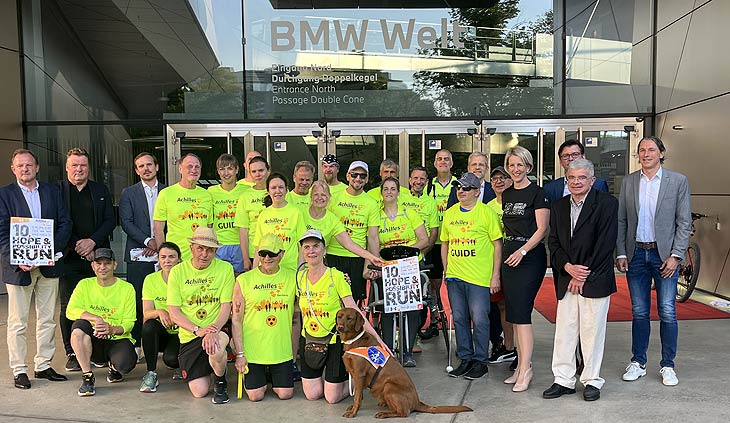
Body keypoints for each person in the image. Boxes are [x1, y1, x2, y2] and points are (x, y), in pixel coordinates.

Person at [616, 136, 691, 387]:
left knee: (668, 311)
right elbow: (622, 221)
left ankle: (668, 365)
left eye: (651, 149)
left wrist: (677, 255)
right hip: (636, 254)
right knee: (639, 312)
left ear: (661, 153)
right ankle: (638, 362)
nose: (646, 153)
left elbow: (684, 222)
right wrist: (621, 253)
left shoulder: (677, 181)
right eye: (642, 150)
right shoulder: (628, 182)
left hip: (666, 257)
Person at [543, 159, 618, 402]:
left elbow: (605, 244)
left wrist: (582, 273)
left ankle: (591, 380)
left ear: (592, 180)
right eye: (572, 178)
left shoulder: (607, 204)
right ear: (566, 180)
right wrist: (567, 267)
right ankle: (563, 380)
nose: (576, 182)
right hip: (566, 277)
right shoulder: (558, 206)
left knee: (592, 331)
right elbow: (553, 242)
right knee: (565, 331)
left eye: (582, 178)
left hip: (594, 278)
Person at [0, 149, 72, 389]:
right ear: (13, 169)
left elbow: (65, 223)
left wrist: (51, 250)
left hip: (48, 265)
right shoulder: (4, 195)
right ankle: (19, 369)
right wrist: (17, 257)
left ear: (37, 167)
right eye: (19, 166)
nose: (24, 169)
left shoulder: (52, 191)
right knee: (18, 321)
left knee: (47, 318)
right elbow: (1, 234)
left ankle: (43, 365)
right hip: (19, 268)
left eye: (29, 165)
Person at [297, 229, 386, 404]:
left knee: (332, 398)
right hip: (309, 339)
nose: (311, 251)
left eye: (316, 246)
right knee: (313, 394)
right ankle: (327, 381)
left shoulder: (336, 276)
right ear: (302, 252)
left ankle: (352, 384)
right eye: (306, 247)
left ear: (324, 250)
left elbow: (353, 308)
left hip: (334, 341)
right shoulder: (299, 277)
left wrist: (378, 339)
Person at [56, 147, 116, 372]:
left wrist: (92, 242)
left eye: (83, 165)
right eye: (74, 165)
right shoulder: (57, 191)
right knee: (68, 306)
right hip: (69, 257)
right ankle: (72, 353)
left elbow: (110, 220)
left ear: (88, 168)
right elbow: (56, 222)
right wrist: (77, 245)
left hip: (97, 256)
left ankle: (99, 349)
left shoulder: (100, 189)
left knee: (103, 303)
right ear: (67, 167)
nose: (79, 169)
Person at [441, 172, 503, 380]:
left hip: (478, 277)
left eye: (466, 188)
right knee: (459, 318)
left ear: (477, 192)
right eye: (459, 187)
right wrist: (446, 269)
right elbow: (445, 243)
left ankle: (480, 360)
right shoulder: (450, 214)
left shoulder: (487, 213)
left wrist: (495, 276)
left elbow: (497, 245)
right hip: (455, 275)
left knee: (479, 319)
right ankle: (466, 357)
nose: (461, 191)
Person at [365, 177, 429, 367]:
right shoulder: (376, 214)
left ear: (399, 192)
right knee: (387, 308)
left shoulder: (409, 213)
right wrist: (377, 261)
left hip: (409, 266)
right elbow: (373, 239)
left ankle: (407, 352)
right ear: (381, 192)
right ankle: (389, 350)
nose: (390, 192)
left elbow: (424, 239)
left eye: (393, 188)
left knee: (409, 309)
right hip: (388, 267)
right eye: (386, 189)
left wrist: (407, 252)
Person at [167, 227, 235, 404]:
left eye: (210, 249)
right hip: (192, 333)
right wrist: (198, 330)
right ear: (191, 248)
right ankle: (213, 367)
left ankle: (220, 381)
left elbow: (226, 306)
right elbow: (174, 313)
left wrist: (213, 330)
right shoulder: (177, 272)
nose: (204, 254)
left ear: (215, 251)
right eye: (200, 248)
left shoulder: (225, 269)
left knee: (217, 347)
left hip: (217, 328)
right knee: (199, 391)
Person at [501, 146, 549, 392]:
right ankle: (520, 366)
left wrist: (522, 251)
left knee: (522, 313)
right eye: (512, 165)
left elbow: (541, 230)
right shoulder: (507, 194)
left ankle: (527, 368)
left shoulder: (537, 193)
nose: (515, 169)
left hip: (529, 257)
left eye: (520, 165)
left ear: (529, 167)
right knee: (514, 316)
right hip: (510, 256)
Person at [232, 234, 296, 401]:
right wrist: (240, 354)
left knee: (285, 394)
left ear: (282, 254)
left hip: (280, 349)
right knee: (255, 396)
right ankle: (263, 376)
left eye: (272, 254)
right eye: (262, 253)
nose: (267, 258)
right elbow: (236, 319)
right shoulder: (244, 280)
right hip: (254, 350)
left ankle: (272, 376)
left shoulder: (293, 277)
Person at [66, 248, 137, 397]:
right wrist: (96, 319)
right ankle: (87, 377)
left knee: (126, 364)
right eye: (98, 263)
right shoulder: (84, 284)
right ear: (93, 266)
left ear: (115, 265)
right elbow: (70, 311)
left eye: (107, 263)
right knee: (78, 328)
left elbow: (129, 323)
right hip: (93, 338)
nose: (102, 267)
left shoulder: (127, 288)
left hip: (117, 339)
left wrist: (110, 329)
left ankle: (114, 367)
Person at [119, 152, 165, 360]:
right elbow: (126, 222)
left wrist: (162, 245)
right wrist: (148, 241)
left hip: (166, 253)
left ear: (157, 167)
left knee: (167, 297)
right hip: (140, 253)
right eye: (141, 166)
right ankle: (137, 343)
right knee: (139, 299)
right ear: (136, 171)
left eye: (149, 164)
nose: (145, 168)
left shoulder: (169, 191)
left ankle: (164, 343)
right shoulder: (128, 193)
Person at [326, 161, 380, 305]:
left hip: (357, 257)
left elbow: (373, 237)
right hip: (333, 255)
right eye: (354, 174)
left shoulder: (371, 203)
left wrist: (372, 264)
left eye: (362, 176)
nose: (358, 179)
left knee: (354, 302)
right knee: (332, 300)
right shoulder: (333, 198)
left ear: (367, 179)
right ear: (347, 176)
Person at [139, 242, 183, 393]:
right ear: (158, 259)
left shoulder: (185, 279)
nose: (167, 260)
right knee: (149, 325)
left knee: (171, 359)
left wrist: (174, 315)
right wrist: (160, 312)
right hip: (163, 330)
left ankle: (181, 363)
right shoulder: (150, 279)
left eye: (172, 257)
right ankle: (151, 373)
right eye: (163, 257)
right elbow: (146, 313)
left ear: (179, 259)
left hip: (182, 332)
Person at [153, 153, 213, 261]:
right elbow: (158, 229)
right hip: (176, 256)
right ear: (180, 169)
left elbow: (209, 227)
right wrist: (164, 255)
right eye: (189, 166)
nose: (193, 170)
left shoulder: (206, 195)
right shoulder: (166, 194)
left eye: (197, 167)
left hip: (201, 257)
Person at [485, 166, 516, 365]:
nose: (499, 181)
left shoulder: (516, 202)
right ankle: (508, 347)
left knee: (516, 307)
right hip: (494, 261)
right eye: (495, 178)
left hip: (515, 260)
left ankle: (517, 348)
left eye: (503, 178)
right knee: (501, 306)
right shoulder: (488, 206)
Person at [425, 149, 456, 320]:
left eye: (446, 159)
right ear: (435, 164)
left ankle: (457, 316)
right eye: (439, 159)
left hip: (456, 242)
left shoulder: (459, 184)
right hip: (434, 243)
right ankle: (437, 316)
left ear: (451, 163)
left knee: (455, 282)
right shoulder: (428, 186)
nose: (443, 161)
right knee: (434, 283)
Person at [252, 173, 306, 272]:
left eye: (281, 187)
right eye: (273, 188)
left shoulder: (296, 213)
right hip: (267, 270)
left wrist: (300, 271)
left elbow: (302, 246)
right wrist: (254, 272)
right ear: (268, 191)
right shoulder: (263, 215)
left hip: (290, 270)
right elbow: (258, 247)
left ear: (287, 190)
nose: (277, 191)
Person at [208, 154, 248, 274]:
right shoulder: (211, 192)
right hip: (219, 245)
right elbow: (209, 222)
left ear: (237, 170)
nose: (226, 173)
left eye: (230, 168)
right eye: (222, 169)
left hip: (240, 246)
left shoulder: (246, 190)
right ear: (218, 172)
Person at [544, 140, 609, 204]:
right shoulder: (550, 188)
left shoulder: (599, 184)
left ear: (583, 157)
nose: (570, 159)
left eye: (575, 154)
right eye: (565, 156)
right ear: (560, 162)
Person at [234, 156, 270, 272]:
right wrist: (245, 259)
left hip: (275, 250)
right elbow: (243, 230)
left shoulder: (278, 191)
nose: (258, 174)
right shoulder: (245, 196)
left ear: (268, 171)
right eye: (253, 171)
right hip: (253, 251)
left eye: (261, 170)